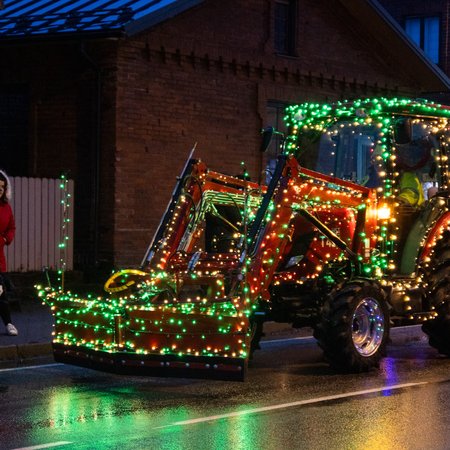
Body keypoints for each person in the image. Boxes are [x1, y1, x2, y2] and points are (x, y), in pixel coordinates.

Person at [0, 170, 18, 336]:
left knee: (0, 292)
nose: (0, 190)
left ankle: (9, 324)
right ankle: (9, 324)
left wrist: (6, 239)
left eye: (2, 187)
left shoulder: (6, 208)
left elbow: (11, 227)